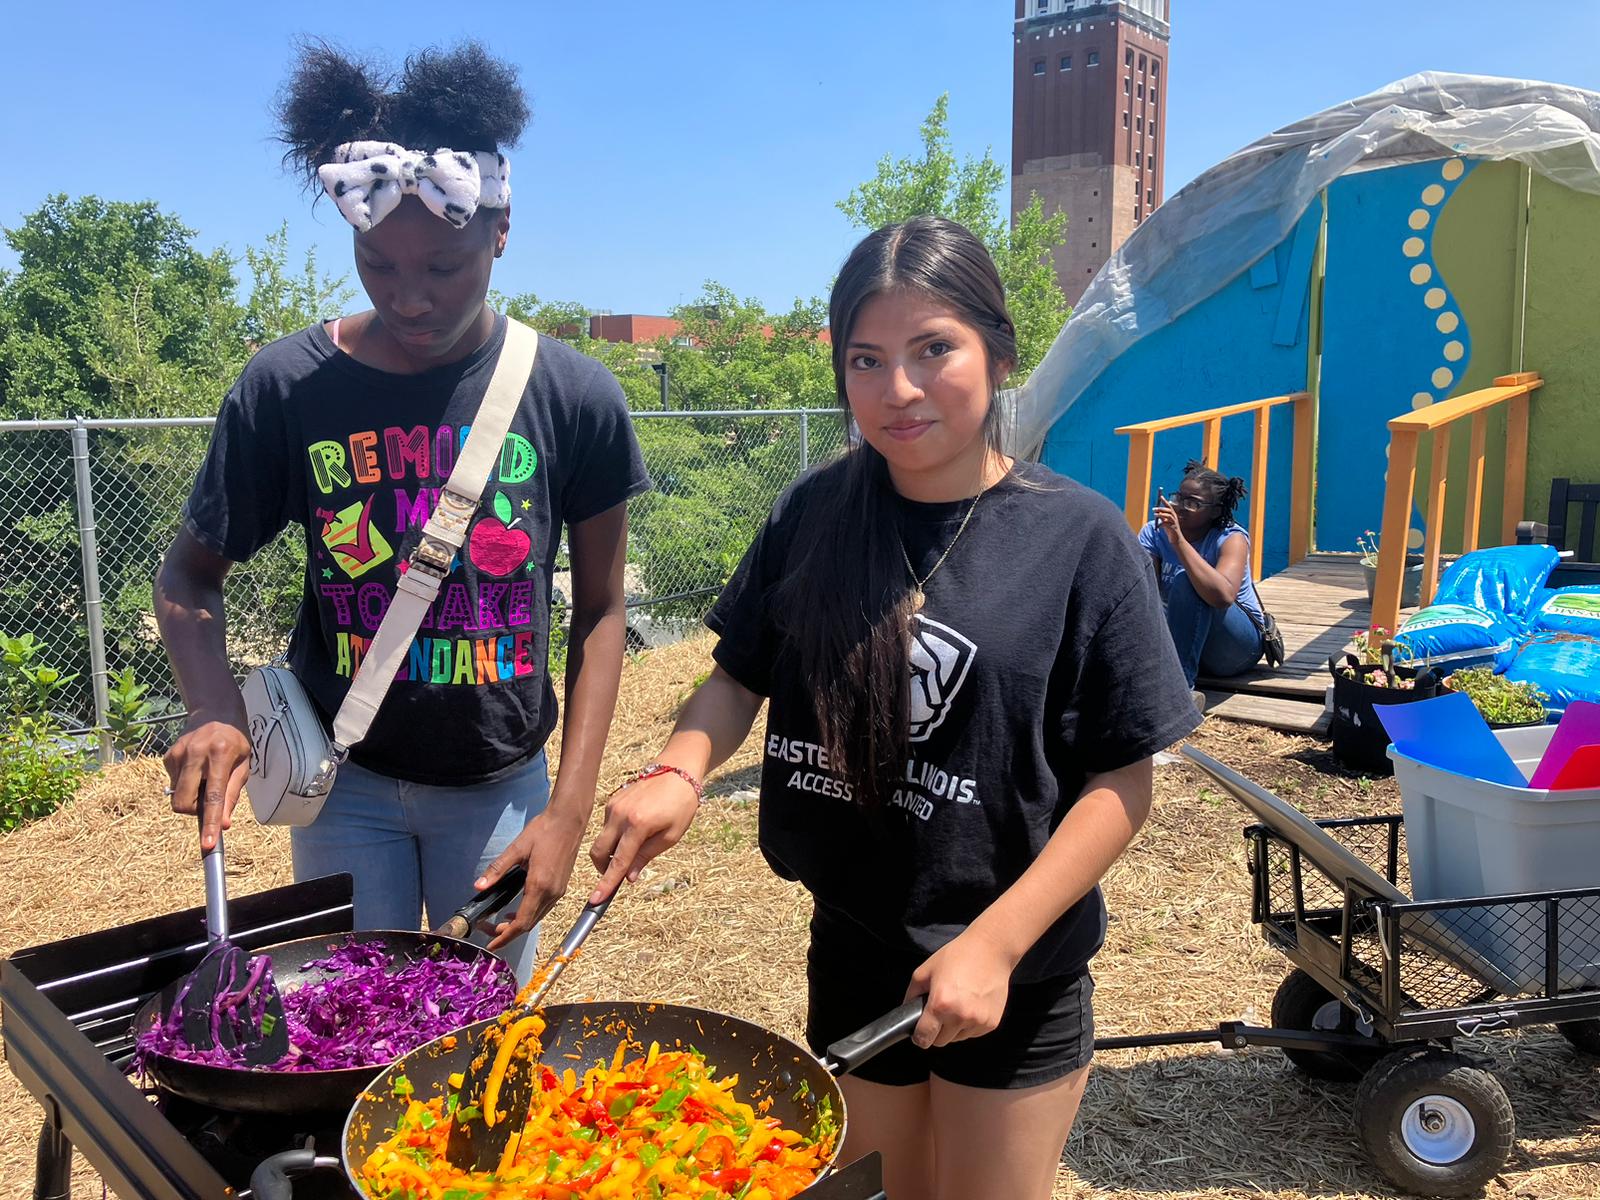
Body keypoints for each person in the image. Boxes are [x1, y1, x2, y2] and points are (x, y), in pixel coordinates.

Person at [586, 216, 1199, 1200]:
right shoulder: (814, 513)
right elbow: (739, 674)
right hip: (855, 945)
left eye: (933, 350)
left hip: (1011, 972)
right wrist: (676, 771)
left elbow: (1121, 783)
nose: (898, 390)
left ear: (997, 355)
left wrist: (994, 945)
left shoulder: (1077, 539)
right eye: (865, 359)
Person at [155, 41, 649, 980]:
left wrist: (567, 810)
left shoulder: (573, 394)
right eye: (377, 262)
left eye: (447, 267)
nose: (410, 297)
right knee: (356, 1037)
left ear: (500, 233)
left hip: (501, 793)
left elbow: (602, 610)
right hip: (346, 787)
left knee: (485, 1049)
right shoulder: (289, 387)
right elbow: (188, 575)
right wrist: (211, 712)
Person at [1139, 462, 1266, 694]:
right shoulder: (1154, 532)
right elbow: (1145, 594)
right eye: (1179, 498)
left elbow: (1223, 597)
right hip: (1185, 643)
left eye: (1193, 503)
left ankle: (1178, 692)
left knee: (1187, 580)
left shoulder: (1230, 538)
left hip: (1235, 649)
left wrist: (1178, 542)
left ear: (1215, 511)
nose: (1181, 507)